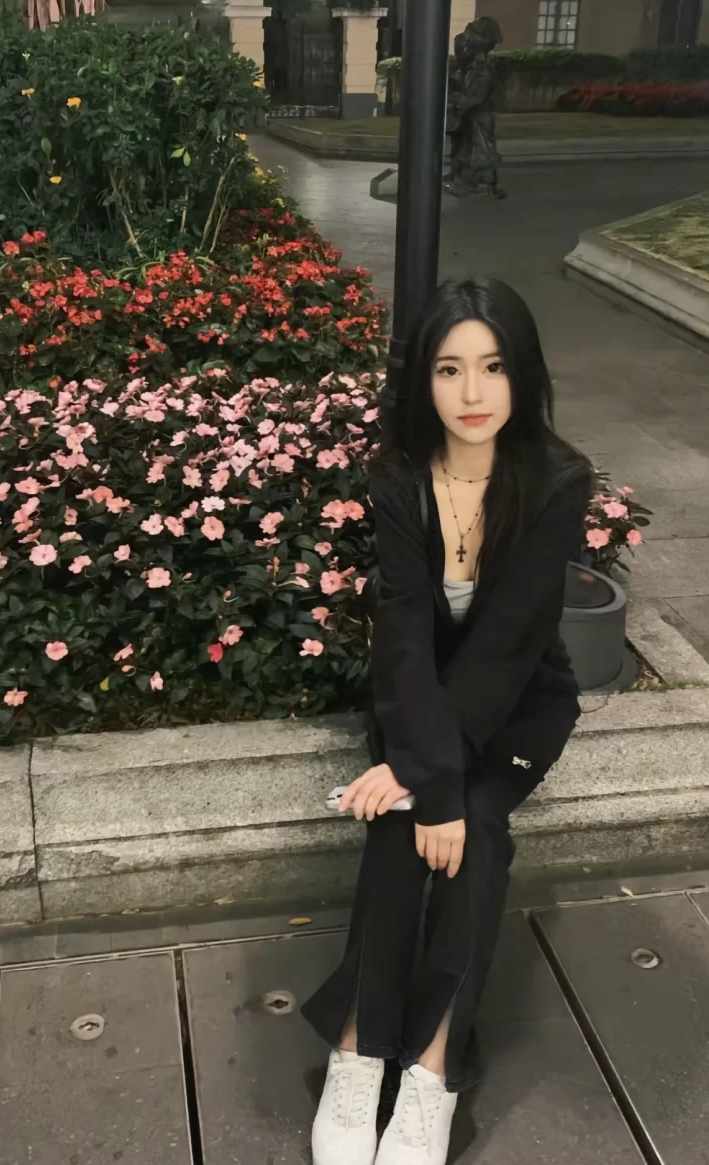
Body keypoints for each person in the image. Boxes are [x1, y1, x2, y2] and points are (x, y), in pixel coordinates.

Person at [303, 278, 593, 1165]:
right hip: (418, 697)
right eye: (449, 369)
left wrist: (435, 784)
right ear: (422, 380)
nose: (473, 393)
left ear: (523, 372)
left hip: (516, 705)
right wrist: (424, 779)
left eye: (494, 367)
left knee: (476, 827)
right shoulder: (399, 478)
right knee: (406, 830)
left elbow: (508, 646)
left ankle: (430, 1069)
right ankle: (360, 1048)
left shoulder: (556, 481)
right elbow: (402, 634)